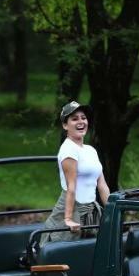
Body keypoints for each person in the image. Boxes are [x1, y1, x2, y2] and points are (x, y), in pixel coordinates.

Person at [40, 101, 110, 243]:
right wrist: (68, 218)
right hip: (72, 209)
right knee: (65, 252)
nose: (80, 121)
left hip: (91, 211)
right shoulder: (68, 149)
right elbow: (72, 187)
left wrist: (113, 211)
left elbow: (102, 185)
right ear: (65, 125)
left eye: (83, 118)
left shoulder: (91, 150)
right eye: (74, 118)